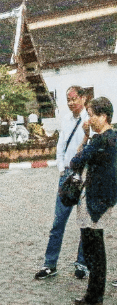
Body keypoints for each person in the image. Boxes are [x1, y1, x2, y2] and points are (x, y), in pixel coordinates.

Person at [64, 96, 116, 305]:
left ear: (103, 116)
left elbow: (75, 162)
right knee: (95, 251)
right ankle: (94, 296)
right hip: (102, 200)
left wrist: (86, 136)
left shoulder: (101, 140)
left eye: (92, 115)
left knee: (94, 253)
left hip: (95, 203)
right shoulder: (113, 137)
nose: (89, 119)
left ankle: (92, 301)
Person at [35, 86, 91, 280]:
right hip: (67, 175)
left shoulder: (90, 120)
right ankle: (50, 264)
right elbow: (61, 146)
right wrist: (61, 168)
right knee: (58, 222)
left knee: (85, 223)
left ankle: (82, 264)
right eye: (68, 99)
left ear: (83, 98)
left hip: (85, 176)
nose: (71, 103)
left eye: (74, 99)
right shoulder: (66, 120)